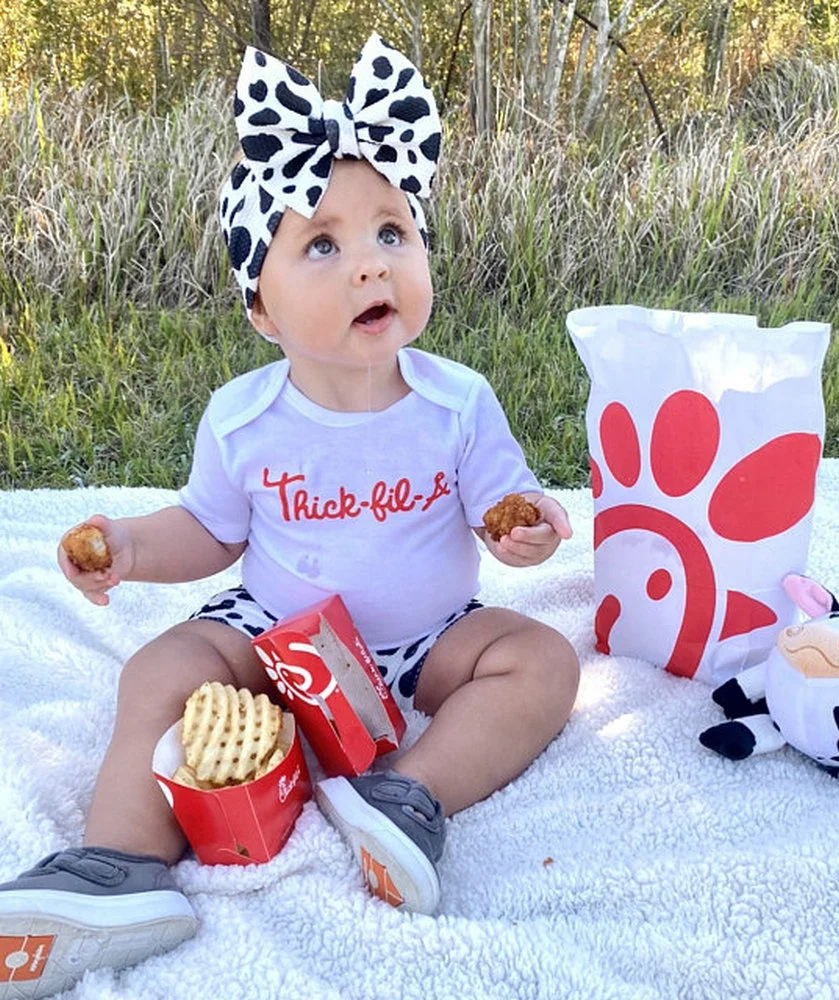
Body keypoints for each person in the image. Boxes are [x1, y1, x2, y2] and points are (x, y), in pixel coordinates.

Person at [0, 35, 579, 998]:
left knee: (543, 662)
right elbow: (214, 530)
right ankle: (122, 862)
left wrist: (525, 527)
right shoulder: (246, 419)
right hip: (275, 642)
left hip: (423, 646)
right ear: (261, 309)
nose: (370, 266)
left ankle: (409, 796)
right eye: (323, 244)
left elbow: (498, 505)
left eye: (392, 233)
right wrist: (134, 548)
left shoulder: (457, 402)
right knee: (163, 666)